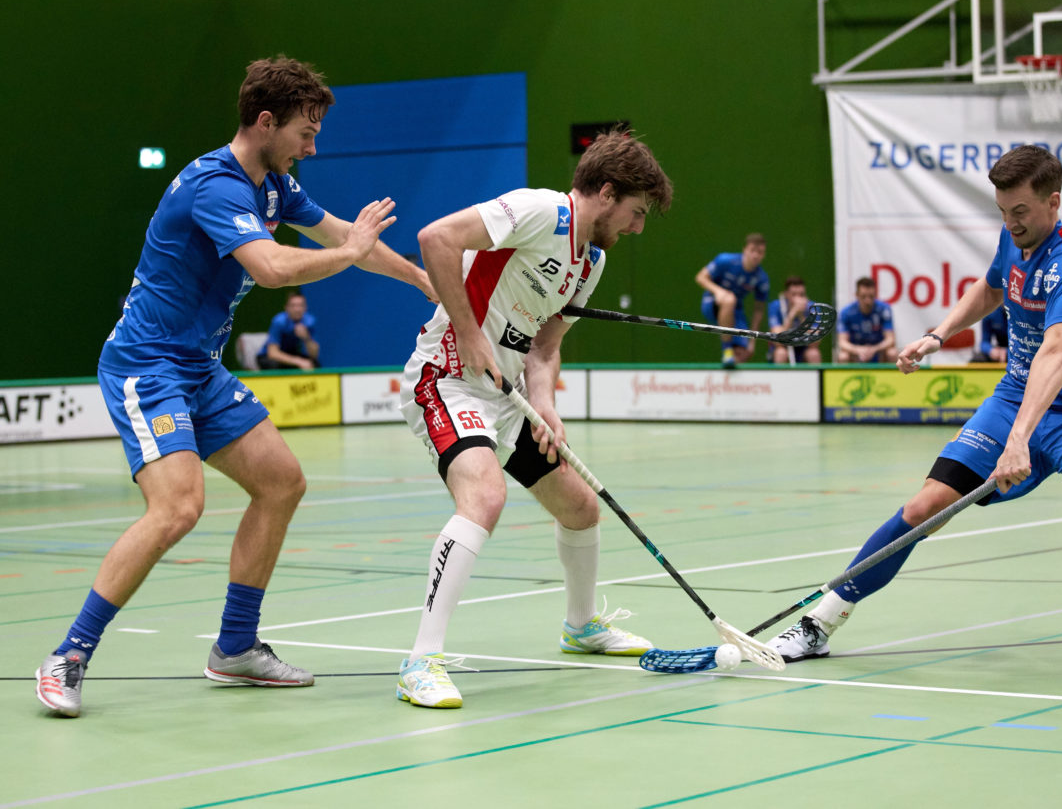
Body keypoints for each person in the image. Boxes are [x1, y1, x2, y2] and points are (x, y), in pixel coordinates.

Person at [35, 56, 435, 718]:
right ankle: (69, 654)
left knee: (282, 481)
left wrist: (422, 279)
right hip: (146, 367)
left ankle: (236, 646)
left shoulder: (274, 186)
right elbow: (275, 266)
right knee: (177, 508)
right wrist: (349, 253)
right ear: (267, 121)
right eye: (306, 132)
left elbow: (339, 233)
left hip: (199, 367)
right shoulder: (216, 186)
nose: (313, 145)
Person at [767, 145, 1062, 681]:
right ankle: (818, 625)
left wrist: (1021, 439)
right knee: (927, 504)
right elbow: (991, 287)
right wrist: (937, 334)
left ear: (1053, 201)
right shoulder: (1013, 240)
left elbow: (1057, 352)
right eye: (1002, 211)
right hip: (1012, 397)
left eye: (1020, 212)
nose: (1010, 223)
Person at [397, 130, 673, 709]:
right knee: (484, 498)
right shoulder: (538, 211)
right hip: (446, 377)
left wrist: (545, 404)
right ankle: (421, 661)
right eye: (635, 212)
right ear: (605, 191)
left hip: (508, 395)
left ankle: (581, 627)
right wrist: (470, 335)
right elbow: (436, 238)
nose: (638, 228)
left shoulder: (589, 261)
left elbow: (545, 348)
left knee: (580, 505)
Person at [695, 233, 769, 368]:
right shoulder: (725, 260)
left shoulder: (761, 278)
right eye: (752, 250)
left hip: (736, 311)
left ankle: (731, 384)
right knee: (729, 299)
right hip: (712, 303)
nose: (756, 255)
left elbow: (759, 310)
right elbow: (700, 277)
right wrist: (719, 291)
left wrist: (752, 340)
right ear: (744, 250)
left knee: (742, 353)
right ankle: (726, 350)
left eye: (760, 252)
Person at [836, 276, 896, 363]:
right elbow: (842, 342)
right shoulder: (846, 312)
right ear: (857, 295)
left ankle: (891, 377)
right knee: (843, 356)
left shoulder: (884, 309)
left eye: (871, 297)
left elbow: (890, 339)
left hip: (878, 350)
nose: (867, 301)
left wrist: (874, 349)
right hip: (855, 352)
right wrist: (858, 350)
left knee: (892, 353)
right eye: (863, 297)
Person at [257, 290, 321, 369]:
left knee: (315, 364)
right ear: (286, 308)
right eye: (293, 305)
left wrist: (306, 338)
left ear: (305, 308)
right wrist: (299, 361)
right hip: (268, 356)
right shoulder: (279, 321)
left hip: (292, 354)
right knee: (274, 365)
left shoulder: (309, 322)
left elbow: (314, 354)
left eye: (300, 305)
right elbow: (272, 353)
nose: (297, 309)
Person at [768, 276, 823, 364]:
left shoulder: (813, 308)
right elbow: (778, 341)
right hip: (784, 347)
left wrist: (801, 316)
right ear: (786, 294)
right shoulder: (776, 306)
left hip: (803, 347)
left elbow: (815, 342)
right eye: (794, 294)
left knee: (814, 354)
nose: (798, 299)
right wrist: (792, 314)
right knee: (781, 353)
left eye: (801, 295)